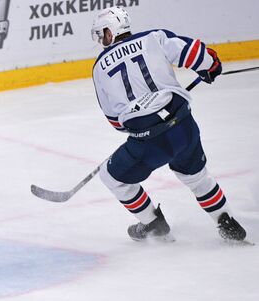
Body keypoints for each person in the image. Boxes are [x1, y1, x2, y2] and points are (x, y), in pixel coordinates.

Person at [90, 7, 246, 242]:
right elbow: (197, 53)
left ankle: (154, 223)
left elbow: (115, 120)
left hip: (148, 141)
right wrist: (210, 68)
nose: (102, 39)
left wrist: (138, 125)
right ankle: (227, 223)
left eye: (102, 33)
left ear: (111, 31)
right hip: (183, 126)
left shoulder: (100, 67)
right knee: (197, 177)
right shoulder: (154, 38)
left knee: (112, 177)